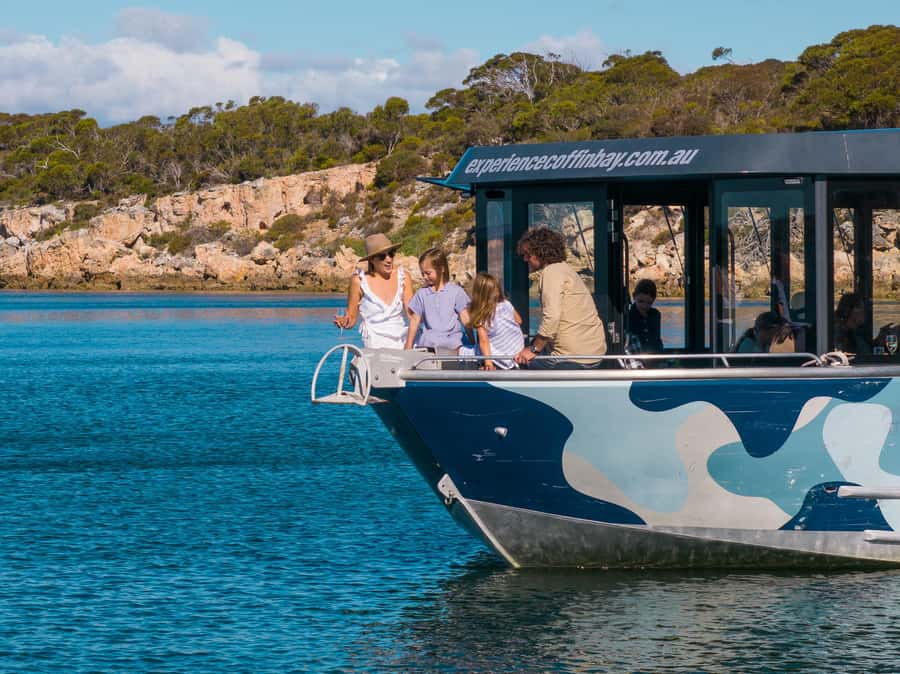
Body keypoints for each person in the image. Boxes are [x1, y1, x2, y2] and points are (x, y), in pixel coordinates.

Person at [514, 227, 607, 367]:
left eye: (528, 254)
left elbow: (552, 317)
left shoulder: (551, 273)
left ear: (541, 252)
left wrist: (533, 349)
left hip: (570, 356)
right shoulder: (566, 269)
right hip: (594, 352)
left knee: (522, 365)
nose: (525, 259)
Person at [333, 233, 412, 349]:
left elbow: (412, 314)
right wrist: (344, 321)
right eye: (382, 256)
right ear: (372, 259)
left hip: (402, 346)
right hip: (374, 350)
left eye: (391, 254)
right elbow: (351, 319)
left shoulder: (403, 277)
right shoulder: (359, 281)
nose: (389, 259)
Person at [404, 248, 471, 352]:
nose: (425, 277)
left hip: (453, 346)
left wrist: (473, 343)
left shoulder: (456, 292)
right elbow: (414, 321)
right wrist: (408, 347)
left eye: (428, 273)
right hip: (429, 346)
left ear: (442, 269)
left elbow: (465, 318)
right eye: (423, 273)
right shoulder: (421, 294)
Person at [464, 272, 525, 370]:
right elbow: (519, 321)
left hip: (503, 357)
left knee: (465, 350)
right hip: (518, 350)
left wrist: (488, 363)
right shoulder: (506, 304)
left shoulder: (482, 315)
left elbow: (484, 342)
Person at [626, 278, 664, 353]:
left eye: (649, 303)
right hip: (636, 356)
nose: (644, 306)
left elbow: (656, 339)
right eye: (641, 301)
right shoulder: (628, 316)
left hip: (655, 356)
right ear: (634, 297)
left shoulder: (655, 315)